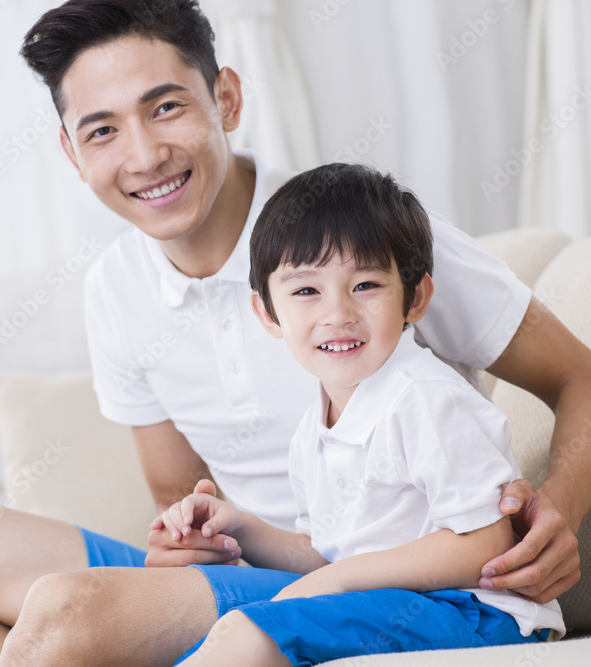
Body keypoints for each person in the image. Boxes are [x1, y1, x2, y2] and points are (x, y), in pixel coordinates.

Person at [0, 1, 591, 665]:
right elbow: (181, 493)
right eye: (103, 130)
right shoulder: (115, 289)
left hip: (374, 580)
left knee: (65, 612)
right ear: (72, 152)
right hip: (262, 568)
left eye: (165, 107)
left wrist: (555, 517)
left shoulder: (357, 238)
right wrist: (187, 531)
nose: (145, 155)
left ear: (226, 98)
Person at [157, 162, 565, 666]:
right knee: (223, 637)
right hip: (387, 606)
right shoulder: (313, 429)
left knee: (253, 633)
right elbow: (324, 553)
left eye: (366, 285)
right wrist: (240, 527)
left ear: (414, 297)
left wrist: (340, 579)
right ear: (267, 313)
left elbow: (485, 544)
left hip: (480, 614)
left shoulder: (424, 397)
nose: (338, 313)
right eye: (306, 291)